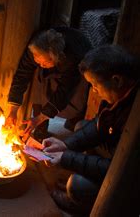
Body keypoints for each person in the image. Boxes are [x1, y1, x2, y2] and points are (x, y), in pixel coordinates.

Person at [43, 45, 139, 214]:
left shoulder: (135, 116)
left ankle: (81, 204)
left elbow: (116, 168)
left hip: (130, 181)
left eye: (95, 84)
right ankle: (85, 181)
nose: (94, 91)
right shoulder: (120, 95)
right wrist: (65, 145)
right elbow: (101, 124)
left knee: (76, 185)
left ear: (117, 80)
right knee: (81, 126)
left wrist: (66, 158)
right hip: (115, 148)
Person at [5, 28, 92, 139]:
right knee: (38, 77)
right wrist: (13, 111)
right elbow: (21, 76)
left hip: (80, 64)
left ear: (56, 57)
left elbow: (64, 90)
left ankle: (73, 121)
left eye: (45, 62)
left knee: (75, 94)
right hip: (58, 61)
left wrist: (40, 117)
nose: (41, 64)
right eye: (37, 60)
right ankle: (41, 127)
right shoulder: (35, 47)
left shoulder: (71, 58)